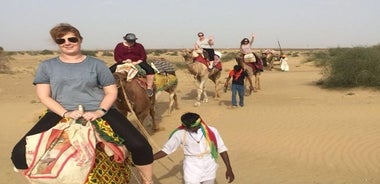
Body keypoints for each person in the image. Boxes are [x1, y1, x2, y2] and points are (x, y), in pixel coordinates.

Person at [10, 23, 153, 184]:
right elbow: (44, 96)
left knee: (140, 145)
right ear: (57, 43)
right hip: (60, 112)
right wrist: (66, 113)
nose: (67, 42)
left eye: (72, 38)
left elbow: (111, 92)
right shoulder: (47, 66)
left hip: (99, 110)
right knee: (18, 153)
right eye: (61, 40)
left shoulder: (97, 65)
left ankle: (147, 181)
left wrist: (100, 111)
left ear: (80, 39)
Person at [153, 112, 235, 184]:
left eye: (194, 127)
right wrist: (149, 159)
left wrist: (229, 168)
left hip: (209, 165)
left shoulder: (212, 131)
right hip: (191, 167)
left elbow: (221, 148)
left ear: (199, 123)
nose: (192, 129)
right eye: (189, 128)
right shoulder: (180, 133)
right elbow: (166, 150)